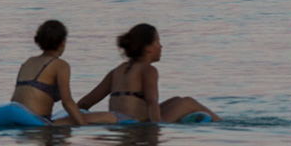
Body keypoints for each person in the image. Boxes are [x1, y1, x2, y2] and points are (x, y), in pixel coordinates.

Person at [78, 24, 220, 124]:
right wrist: (157, 126)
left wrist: (79, 115)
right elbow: (152, 101)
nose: (161, 46)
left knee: (177, 99)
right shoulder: (148, 70)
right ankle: (221, 123)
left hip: (122, 119)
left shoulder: (116, 71)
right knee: (188, 102)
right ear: (147, 48)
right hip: (137, 123)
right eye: (157, 41)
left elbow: (85, 103)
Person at [9, 20, 120, 125]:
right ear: (62, 43)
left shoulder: (28, 62)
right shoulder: (60, 65)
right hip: (40, 121)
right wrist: (82, 124)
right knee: (109, 117)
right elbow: (67, 101)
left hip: (18, 116)